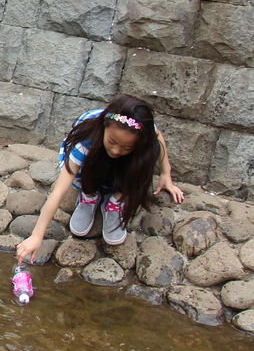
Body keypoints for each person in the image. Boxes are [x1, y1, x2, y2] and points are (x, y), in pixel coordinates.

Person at [16, 94, 184, 265]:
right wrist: (37, 235)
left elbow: (158, 136)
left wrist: (166, 174)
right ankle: (89, 195)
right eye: (112, 142)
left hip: (125, 163)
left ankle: (116, 200)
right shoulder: (84, 142)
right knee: (90, 170)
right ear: (104, 127)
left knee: (137, 170)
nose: (117, 150)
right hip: (92, 161)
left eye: (126, 147)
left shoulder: (143, 132)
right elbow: (58, 191)